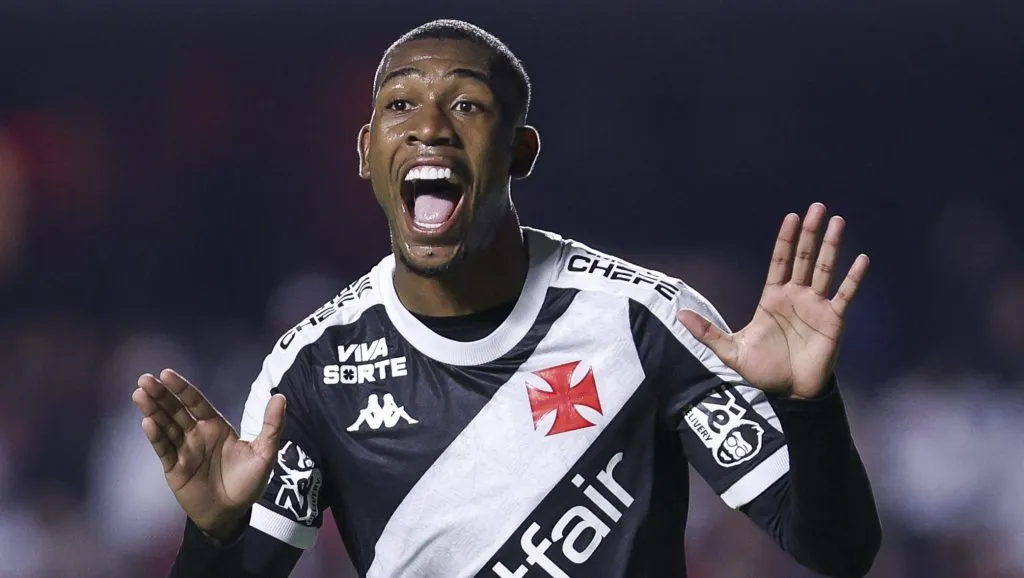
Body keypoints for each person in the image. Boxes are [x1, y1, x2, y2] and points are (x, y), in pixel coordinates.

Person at [131, 19, 881, 578]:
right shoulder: (312, 373)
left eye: (466, 107)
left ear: (519, 151)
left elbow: (839, 551)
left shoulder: (643, 320)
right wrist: (214, 534)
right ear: (366, 153)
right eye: (400, 107)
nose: (429, 128)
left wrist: (808, 407)